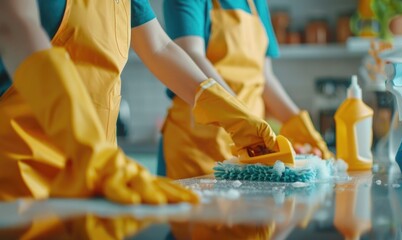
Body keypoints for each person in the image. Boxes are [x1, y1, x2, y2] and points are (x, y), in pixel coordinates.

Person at [0, 0, 278, 204]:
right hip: (20, 178)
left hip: (98, 176)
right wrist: (82, 140)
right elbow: (14, 26)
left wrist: (233, 113)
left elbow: (159, 47)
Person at [159, 0, 333, 179]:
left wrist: (300, 127)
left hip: (253, 148)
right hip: (197, 149)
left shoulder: (255, 3)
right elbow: (191, 55)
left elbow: (264, 77)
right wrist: (241, 117)